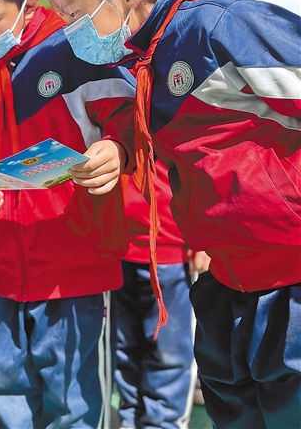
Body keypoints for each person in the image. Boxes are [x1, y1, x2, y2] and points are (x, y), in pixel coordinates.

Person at [44, 0, 301, 427]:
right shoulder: (146, 64)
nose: (69, 33)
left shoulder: (222, 25)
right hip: (228, 283)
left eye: (75, 15)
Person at [0, 0, 137, 428]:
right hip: (2, 267)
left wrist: (117, 150)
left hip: (75, 261)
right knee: (4, 387)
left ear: (28, 5)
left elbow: (131, 119)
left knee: (74, 398)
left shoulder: (76, 49)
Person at [114, 166, 196, 429]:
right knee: (122, 352)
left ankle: (163, 424)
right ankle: (129, 422)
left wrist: (206, 240)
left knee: (169, 355)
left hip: (172, 245)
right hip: (116, 243)